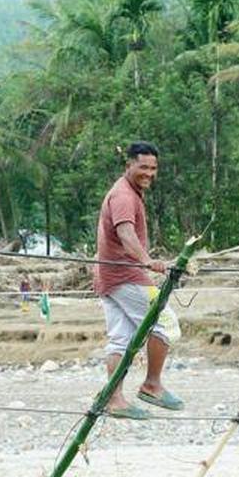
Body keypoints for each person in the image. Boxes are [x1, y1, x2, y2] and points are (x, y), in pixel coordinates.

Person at [94, 140, 184, 420]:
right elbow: (126, 235)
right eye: (143, 167)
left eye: (153, 168)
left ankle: (113, 398)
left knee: (120, 339)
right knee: (166, 325)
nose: (149, 173)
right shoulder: (123, 196)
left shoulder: (128, 192)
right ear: (129, 165)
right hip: (126, 276)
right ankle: (152, 385)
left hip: (108, 276)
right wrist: (147, 260)